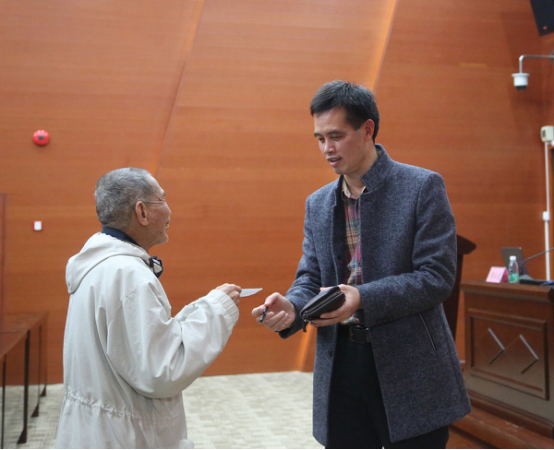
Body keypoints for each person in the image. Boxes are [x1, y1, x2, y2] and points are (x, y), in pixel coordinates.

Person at [253, 81, 471, 449]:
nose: (327, 148)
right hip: (341, 364)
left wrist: (362, 297)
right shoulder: (318, 203)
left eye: (336, 136)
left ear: (367, 129)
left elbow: (436, 277)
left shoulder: (421, 187)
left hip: (411, 364)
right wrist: (292, 307)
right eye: (320, 138)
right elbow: (310, 276)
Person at [56, 168, 241, 449]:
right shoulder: (130, 276)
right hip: (125, 436)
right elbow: (161, 371)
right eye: (162, 200)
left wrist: (205, 306)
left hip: (95, 430)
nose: (170, 212)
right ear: (142, 212)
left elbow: (142, 343)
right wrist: (217, 311)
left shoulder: (98, 265)